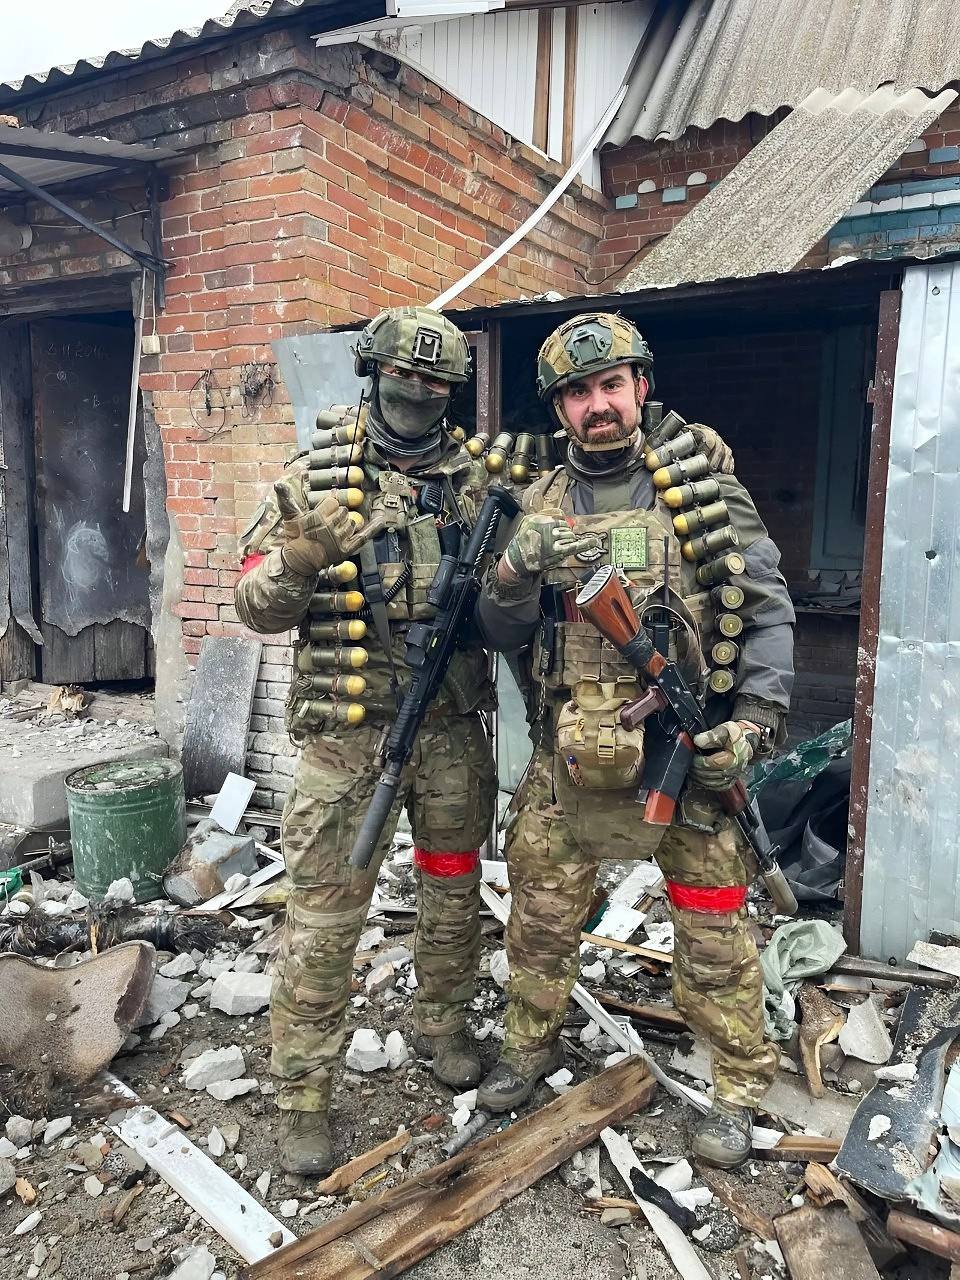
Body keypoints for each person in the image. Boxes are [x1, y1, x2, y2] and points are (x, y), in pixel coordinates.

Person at [475, 312, 795, 1169]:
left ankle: (737, 1088)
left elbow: (767, 613)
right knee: (539, 921)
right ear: (559, 409)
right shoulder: (533, 504)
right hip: (569, 755)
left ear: (640, 386)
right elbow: (498, 632)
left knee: (716, 935)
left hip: (684, 753)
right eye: (578, 393)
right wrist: (512, 570)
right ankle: (527, 1047)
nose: (598, 405)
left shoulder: (700, 487)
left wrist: (751, 723)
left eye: (611, 385)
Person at [235, 306, 498, 1175]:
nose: (418, 389)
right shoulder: (317, 476)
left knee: (453, 892)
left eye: (436, 379)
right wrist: (300, 559)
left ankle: (442, 1026)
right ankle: (303, 1094)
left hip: (451, 731)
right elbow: (254, 607)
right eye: (404, 372)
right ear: (371, 371)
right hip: (346, 739)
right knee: (323, 915)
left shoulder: (476, 480)